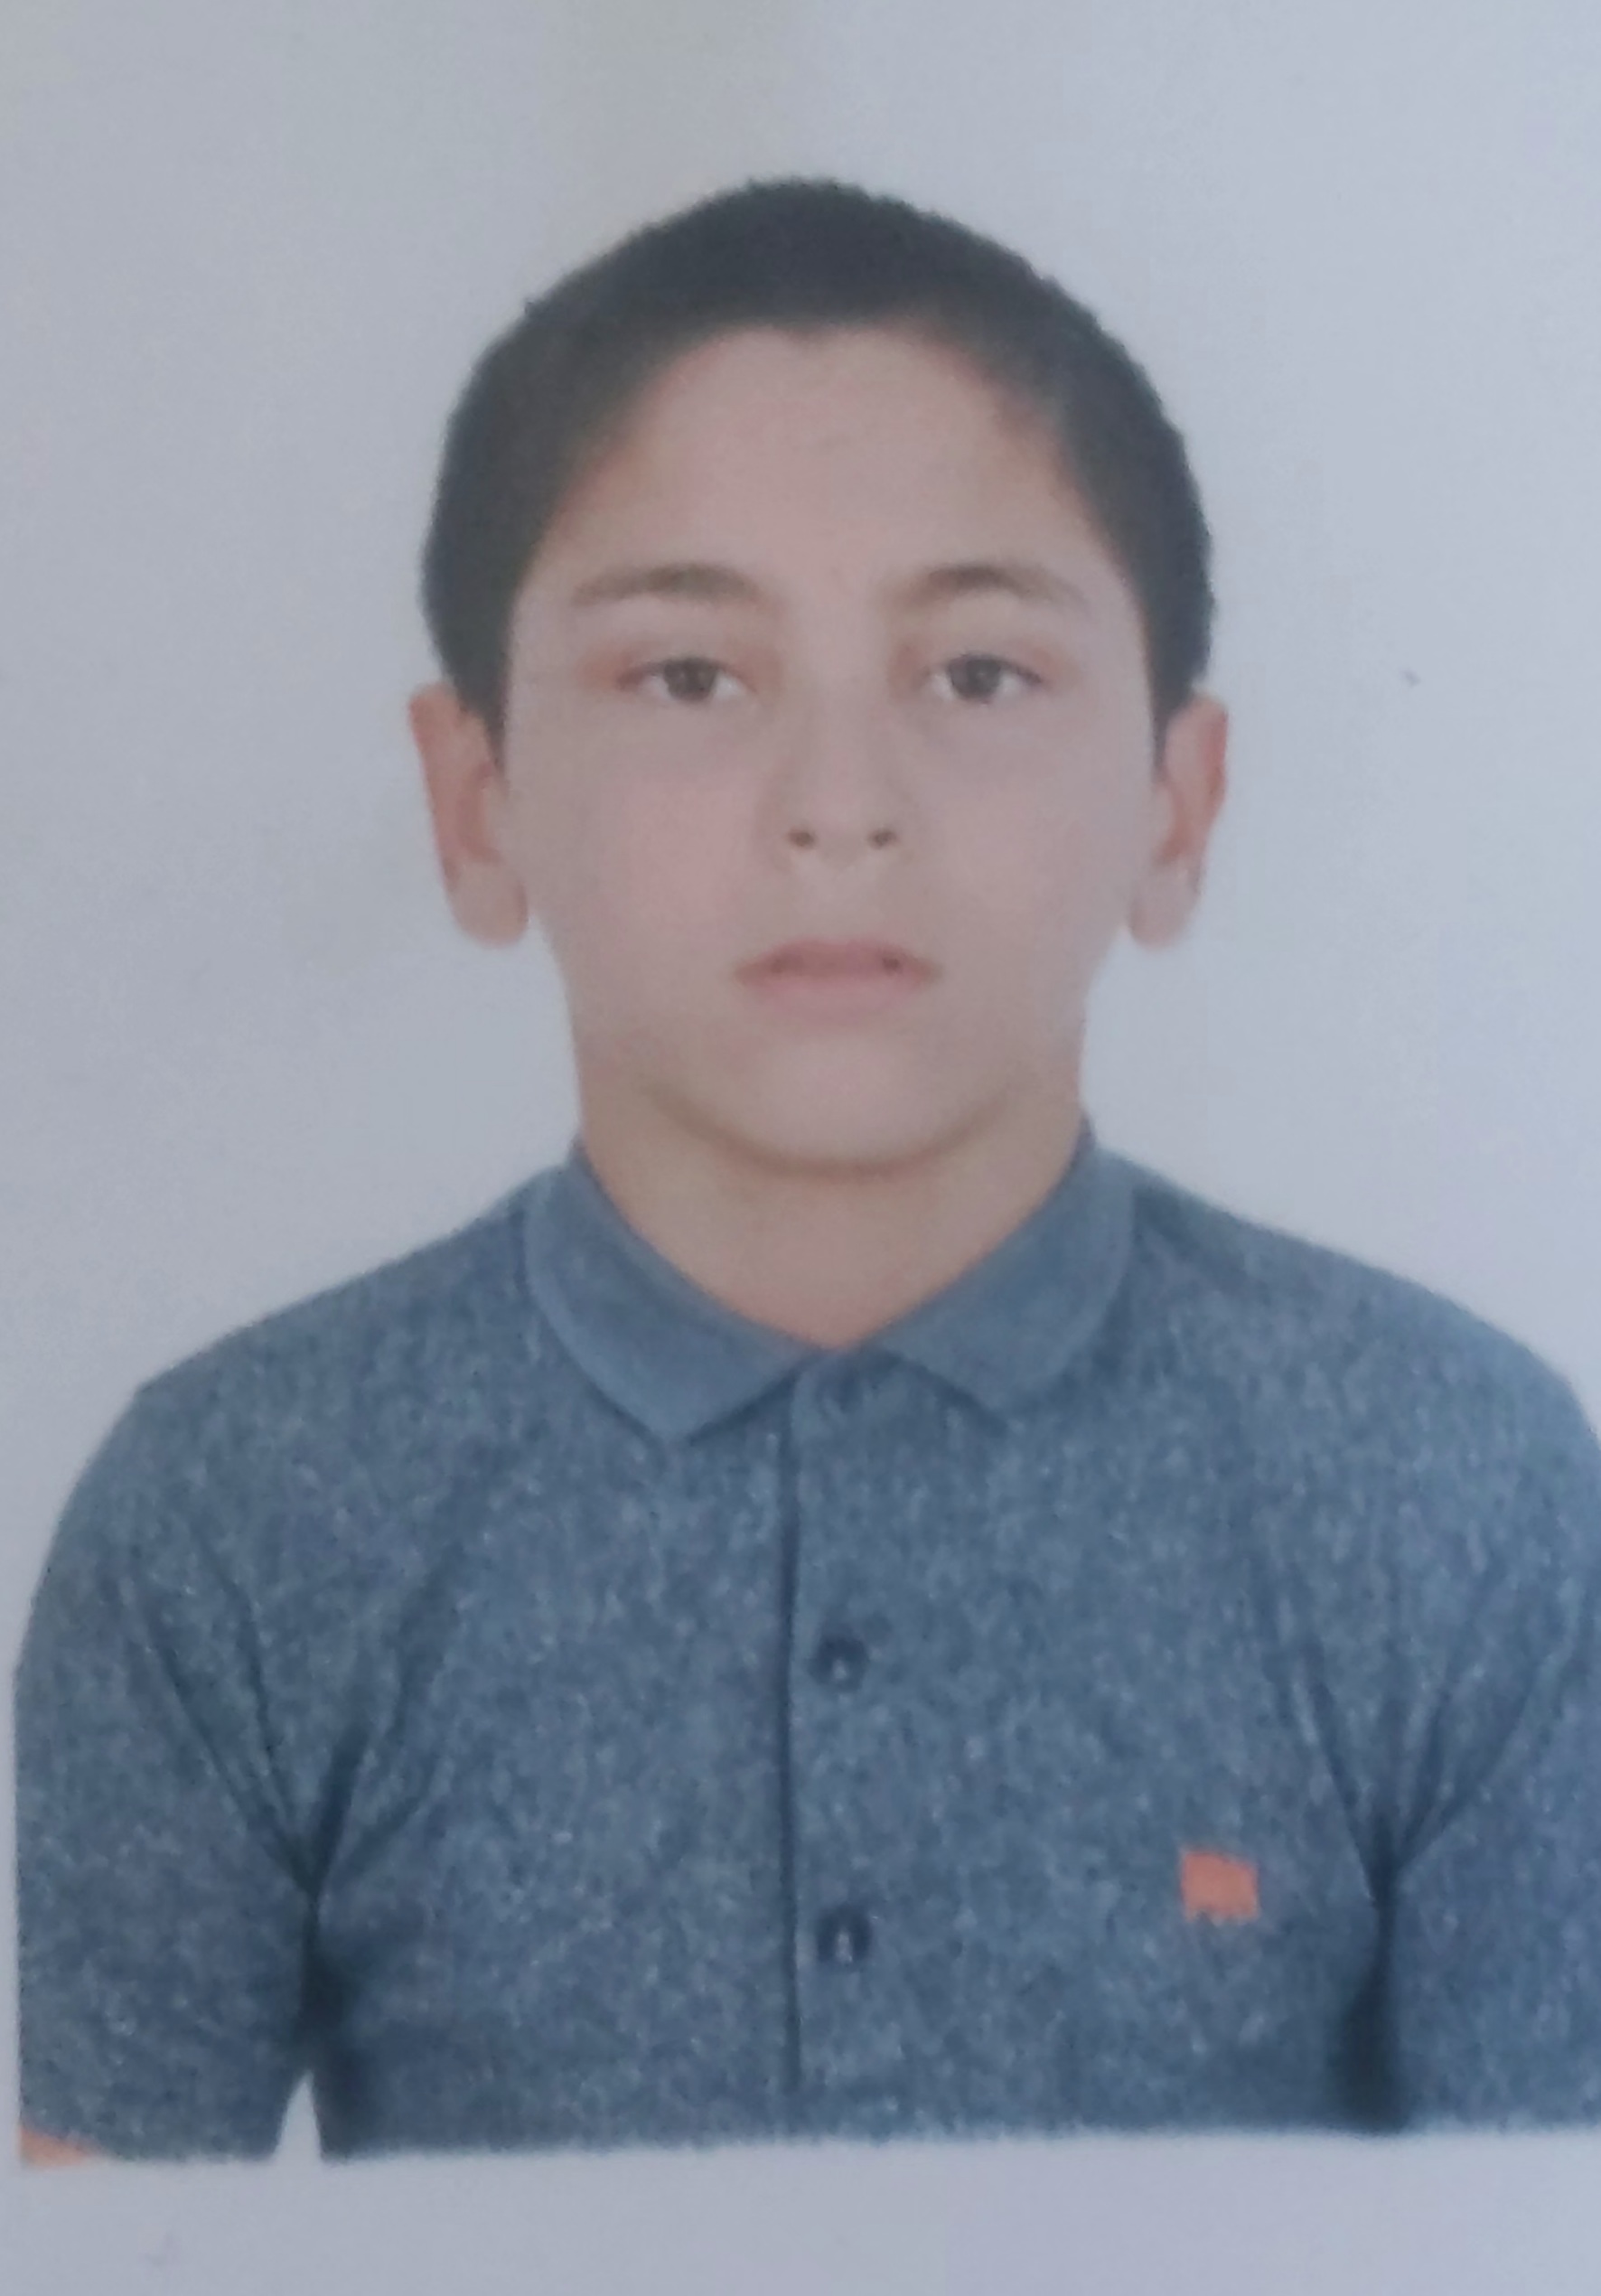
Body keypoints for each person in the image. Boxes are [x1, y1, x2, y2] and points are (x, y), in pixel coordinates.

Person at [15, 178, 1601, 2165]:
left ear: (1176, 802)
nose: (839, 809)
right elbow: (92, 2252)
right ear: (476, 795)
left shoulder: (1451, 1485)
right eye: (690, 675)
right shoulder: (236, 1516)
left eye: (977, 675)